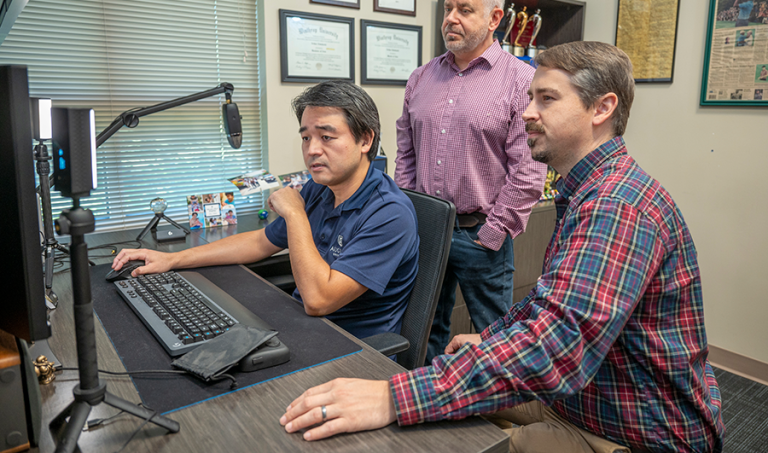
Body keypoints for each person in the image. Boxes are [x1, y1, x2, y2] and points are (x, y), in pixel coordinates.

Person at [281, 41, 725, 453]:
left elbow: (554, 352)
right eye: (530, 98)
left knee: (435, 429)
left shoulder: (617, 207)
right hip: (585, 393)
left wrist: (392, 397)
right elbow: (550, 303)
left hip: (636, 423)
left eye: (546, 99)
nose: (526, 113)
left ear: (602, 108)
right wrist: (490, 337)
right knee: (432, 404)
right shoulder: (590, 190)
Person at [112, 80, 419, 340]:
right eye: (306, 137)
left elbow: (318, 300)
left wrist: (295, 213)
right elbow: (260, 241)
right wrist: (173, 259)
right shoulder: (321, 188)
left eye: (326, 137)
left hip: (349, 346)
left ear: (365, 139)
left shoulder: (390, 214)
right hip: (304, 326)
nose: (312, 149)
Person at [394, 0, 546, 362]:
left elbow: (528, 171)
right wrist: (410, 213)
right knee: (423, 327)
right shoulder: (421, 78)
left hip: (481, 234)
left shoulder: (520, 80)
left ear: (495, 18)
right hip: (426, 229)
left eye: (465, 9)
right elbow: (406, 152)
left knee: (496, 338)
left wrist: (492, 235)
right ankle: (424, 402)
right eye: (448, 7)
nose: (451, 18)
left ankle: (498, 421)